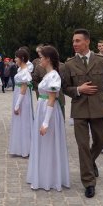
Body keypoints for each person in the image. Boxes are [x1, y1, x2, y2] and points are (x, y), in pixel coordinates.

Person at [63, 29, 103, 198]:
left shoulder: (100, 61)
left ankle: (90, 161)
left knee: (102, 140)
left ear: (87, 42)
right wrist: (79, 89)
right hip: (79, 109)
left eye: (77, 41)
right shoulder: (69, 64)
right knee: (83, 145)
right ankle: (88, 181)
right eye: (73, 41)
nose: (74, 44)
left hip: (98, 108)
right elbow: (65, 88)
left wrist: (98, 93)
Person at [27, 45, 70, 191]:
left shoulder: (54, 76)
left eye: (41, 58)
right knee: (43, 143)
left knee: (49, 143)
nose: (39, 60)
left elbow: (52, 99)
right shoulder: (47, 74)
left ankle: (50, 177)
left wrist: (45, 122)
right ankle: (43, 174)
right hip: (43, 108)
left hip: (49, 111)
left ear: (48, 59)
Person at [8, 48, 33, 157]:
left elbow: (23, 89)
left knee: (24, 122)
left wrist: (17, 104)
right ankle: (19, 147)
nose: (15, 59)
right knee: (19, 122)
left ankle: (25, 149)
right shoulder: (20, 70)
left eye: (16, 57)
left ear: (22, 58)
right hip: (18, 96)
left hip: (22, 98)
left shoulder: (25, 71)